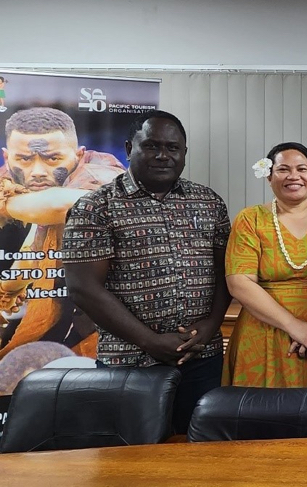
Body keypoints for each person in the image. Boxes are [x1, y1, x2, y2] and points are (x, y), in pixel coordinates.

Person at [62, 110, 232, 434]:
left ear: (183, 154)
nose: (163, 155)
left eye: (173, 148)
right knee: (129, 458)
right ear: (129, 148)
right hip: (128, 362)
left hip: (201, 357)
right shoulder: (95, 207)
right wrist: (151, 341)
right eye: (151, 146)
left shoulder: (209, 202)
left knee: (201, 455)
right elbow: (83, 288)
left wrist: (211, 326)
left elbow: (228, 271)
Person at [0, 107, 125, 359]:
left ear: (78, 154)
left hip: (105, 322)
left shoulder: (97, 169)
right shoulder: (10, 174)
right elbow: (36, 246)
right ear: (7, 156)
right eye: (24, 159)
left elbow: (60, 205)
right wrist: (7, 291)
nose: (37, 171)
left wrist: (5, 203)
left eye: (52, 159)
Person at [224, 142, 307, 388]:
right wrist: (295, 327)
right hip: (263, 333)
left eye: (302, 169)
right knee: (260, 418)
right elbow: (239, 283)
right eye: (283, 169)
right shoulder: (250, 219)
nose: (294, 176)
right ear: (269, 176)